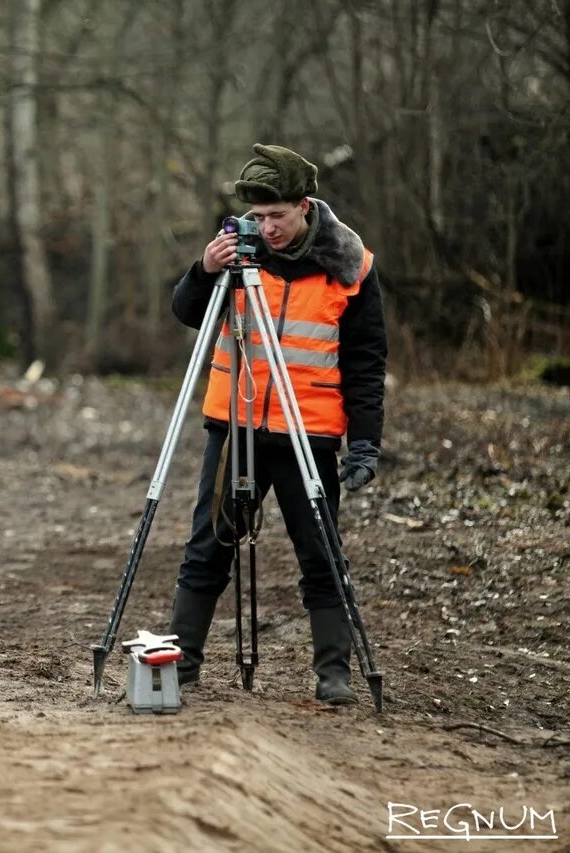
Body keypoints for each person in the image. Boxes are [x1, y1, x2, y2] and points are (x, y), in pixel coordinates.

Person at [168, 144, 387, 705]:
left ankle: (333, 673)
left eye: (278, 218)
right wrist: (206, 270)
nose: (266, 229)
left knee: (321, 553)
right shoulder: (236, 251)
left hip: (307, 434)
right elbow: (188, 311)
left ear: (305, 206)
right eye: (259, 218)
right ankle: (182, 665)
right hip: (234, 425)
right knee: (206, 549)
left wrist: (365, 440)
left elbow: (365, 361)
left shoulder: (349, 264)